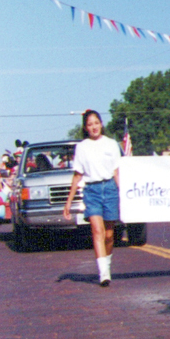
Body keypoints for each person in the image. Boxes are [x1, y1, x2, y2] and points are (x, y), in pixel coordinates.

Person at [62, 110, 124, 287]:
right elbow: (77, 175)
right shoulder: (82, 147)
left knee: (110, 234)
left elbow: (116, 172)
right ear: (85, 127)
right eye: (90, 124)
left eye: (96, 123)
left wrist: (123, 194)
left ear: (101, 124)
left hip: (110, 188)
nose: (94, 127)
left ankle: (107, 264)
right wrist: (68, 202)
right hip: (92, 191)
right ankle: (103, 273)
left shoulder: (112, 144)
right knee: (98, 230)